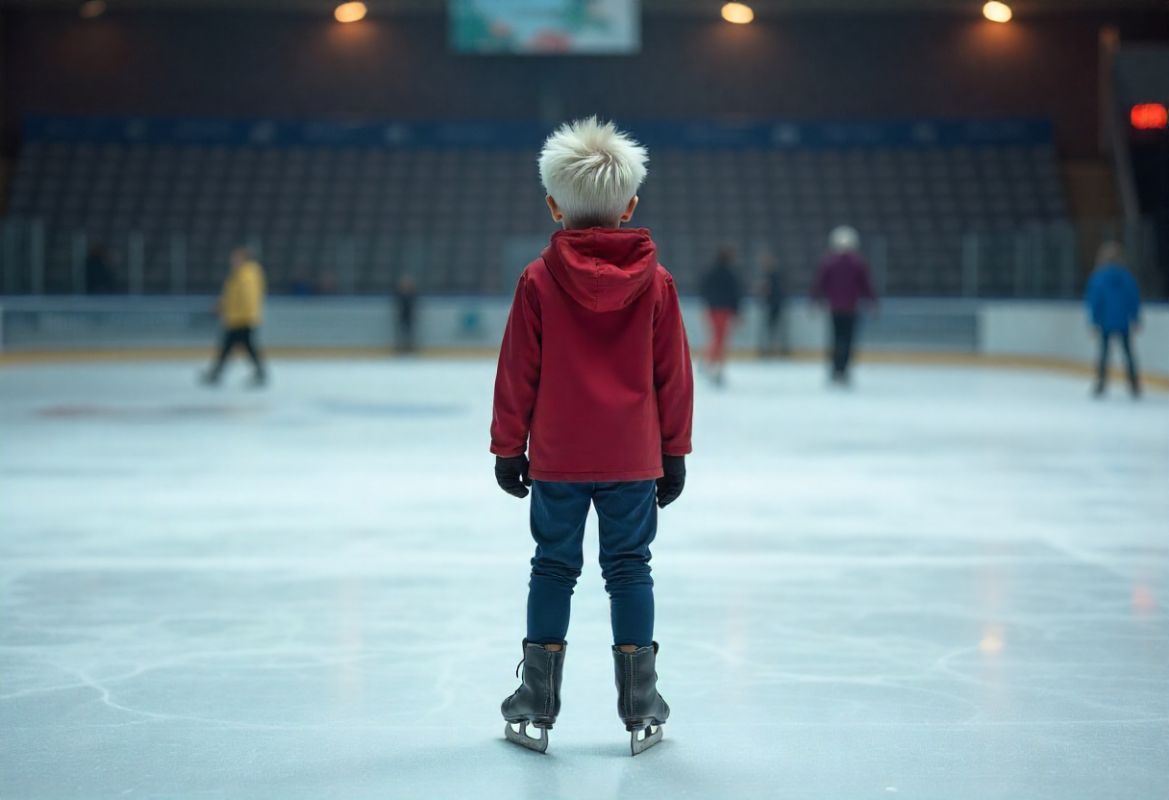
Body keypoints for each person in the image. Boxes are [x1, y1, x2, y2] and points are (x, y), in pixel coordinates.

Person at [490, 117, 693, 756]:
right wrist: (674, 451)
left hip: (558, 458)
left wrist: (506, 447)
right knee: (630, 570)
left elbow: (516, 370)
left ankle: (537, 703)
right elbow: (674, 376)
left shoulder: (538, 281)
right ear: (630, 205)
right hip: (633, 459)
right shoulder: (656, 283)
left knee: (553, 568)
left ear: (554, 204)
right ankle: (640, 703)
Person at [811, 225, 877, 385]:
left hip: (835, 308)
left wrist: (814, 300)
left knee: (835, 339)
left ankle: (835, 369)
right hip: (850, 308)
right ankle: (844, 369)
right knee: (847, 340)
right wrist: (872, 302)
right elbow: (866, 286)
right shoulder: (858, 262)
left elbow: (820, 284)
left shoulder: (829, 262)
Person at [201, 246, 267, 388]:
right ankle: (259, 373)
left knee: (233, 346)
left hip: (242, 318)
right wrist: (223, 306)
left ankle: (217, 373)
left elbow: (246, 297)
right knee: (238, 346)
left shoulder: (247, 274)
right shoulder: (241, 274)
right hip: (238, 317)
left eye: (236, 257)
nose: (233, 260)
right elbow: (231, 295)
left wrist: (231, 309)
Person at [1085, 241, 1141, 398]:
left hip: (1105, 321)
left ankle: (1101, 384)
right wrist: (1135, 318)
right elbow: (1133, 299)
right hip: (1123, 321)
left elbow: (1094, 301)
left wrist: (1094, 320)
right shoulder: (1127, 277)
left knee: (1103, 354)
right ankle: (1134, 385)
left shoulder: (1098, 278)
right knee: (1128, 353)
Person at [699, 246, 743, 385]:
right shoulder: (731, 275)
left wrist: (709, 303)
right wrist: (737, 311)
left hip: (712, 309)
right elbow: (735, 294)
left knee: (716, 339)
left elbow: (703, 289)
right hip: (723, 310)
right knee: (721, 340)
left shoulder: (710, 272)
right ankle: (715, 367)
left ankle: (710, 364)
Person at [757, 250, 787, 357]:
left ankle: (774, 350)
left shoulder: (772, 275)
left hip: (774, 304)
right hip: (773, 304)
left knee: (773, 328)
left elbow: (768, 289)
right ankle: (773, 349)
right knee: (772, 328)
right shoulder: (772, 274)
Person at [395, 274, 418, 354]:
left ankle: (410, 348)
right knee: (400, 333)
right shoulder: (399, 294)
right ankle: (400, 349)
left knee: (410, 334)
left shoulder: (412, 294)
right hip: (402, 316)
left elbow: (414, 305)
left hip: (410, 316)